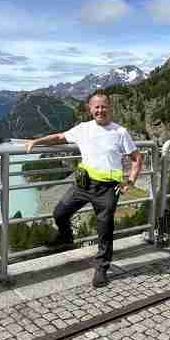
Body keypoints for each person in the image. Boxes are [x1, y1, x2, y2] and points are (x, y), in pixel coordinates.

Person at [25, 91, 143, 288]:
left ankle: (102, 268)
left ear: (110, 108)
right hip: (83, 184)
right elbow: (59, 138)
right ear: (90, 109)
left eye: (104, 106)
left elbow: (137, 159)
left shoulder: (120, 132)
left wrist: (129, 182)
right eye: (96, 107)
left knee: (104, 229)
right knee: (59, 213)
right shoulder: (82, 128)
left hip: (108, 188)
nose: (100, 110)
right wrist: (36, 142)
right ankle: (66, 237)